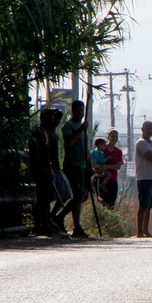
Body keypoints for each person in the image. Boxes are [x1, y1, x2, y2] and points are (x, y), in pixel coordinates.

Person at [28, 108, 64, 236]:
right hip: (39, 170)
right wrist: (43, 167)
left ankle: (45, 221)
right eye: (49, 117)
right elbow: (37, 152)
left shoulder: (48, 132)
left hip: (47, 169)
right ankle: (40, 223)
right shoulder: (37, 132)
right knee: (41, 197)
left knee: (46, 197)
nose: (51, 120)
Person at [57, 100, 90, 238]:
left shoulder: (82, 127)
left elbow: (86, 148)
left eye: (81, 110)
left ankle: (77, 226)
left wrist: (90, 165)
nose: (80, 113)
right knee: (76, 195)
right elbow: (69, 143)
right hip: (72, 165)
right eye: (77, 110)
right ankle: (58, 217)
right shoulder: (69, 126)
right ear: (72, 111)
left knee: (83, 196)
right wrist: (80, 130)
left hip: (82, 165)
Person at [135, 120, 152, 238]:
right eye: (148, 128)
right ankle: (139, 231)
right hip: (144, 177)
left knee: (149, 206)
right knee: (143, 205)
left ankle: (146, 230)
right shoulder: (140, 143)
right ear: (142, 129)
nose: (150, 131)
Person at [98, 129, 124, 208]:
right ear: (108, 137)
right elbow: (98, 163)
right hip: (102, 179)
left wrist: (107, 166)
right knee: (102, 203)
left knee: (111, 204)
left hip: (113, 179)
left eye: (116, 136)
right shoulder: (103, 149)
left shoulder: (118, 151)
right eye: (112, 136)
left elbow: (118, 166)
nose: (114, 138)